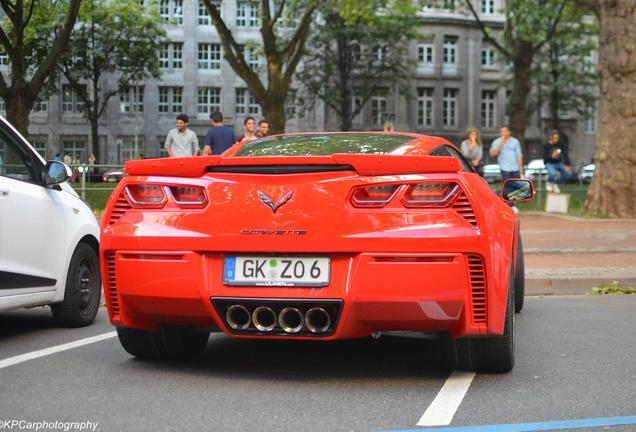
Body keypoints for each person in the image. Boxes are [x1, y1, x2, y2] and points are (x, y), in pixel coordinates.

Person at [489, 126, 523, 211]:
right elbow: (493, 154)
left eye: (505, 131)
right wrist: (501, 143)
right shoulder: (496, 142)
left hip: (515, 167)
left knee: (515, 187)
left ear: (508, 132)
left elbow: (519, 156)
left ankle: (509, 203)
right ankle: (510, 206)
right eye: (501, 132)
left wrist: (521, 169)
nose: (503, 133)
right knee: (508, 186)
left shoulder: (515, 141)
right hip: (505, 168)